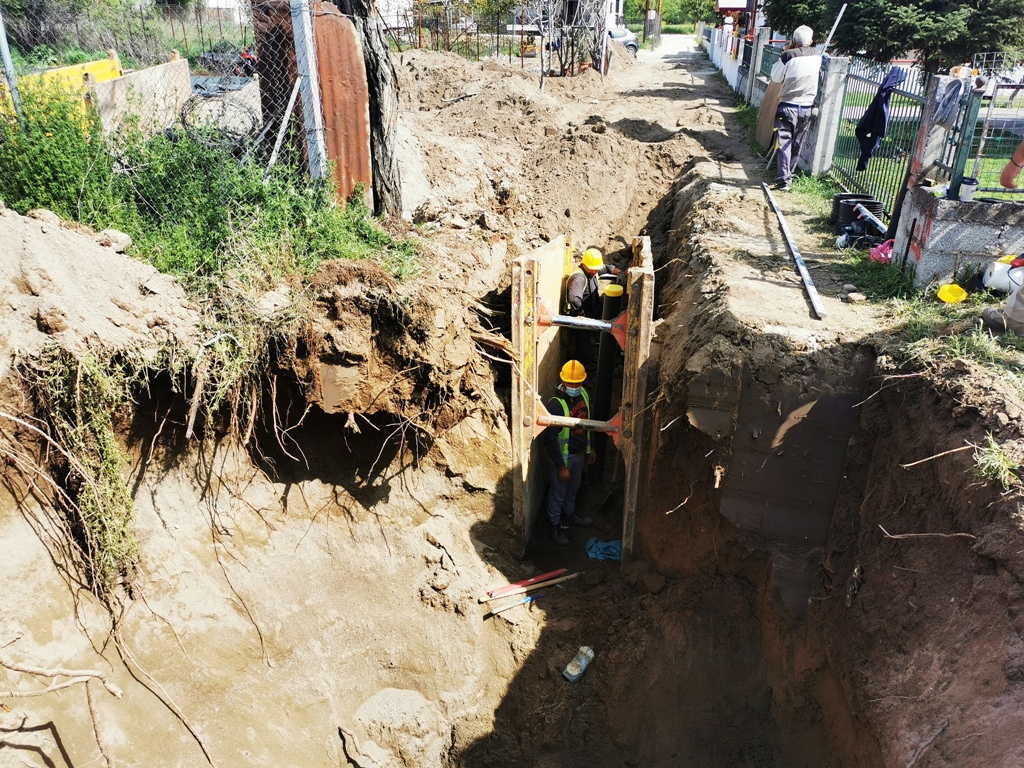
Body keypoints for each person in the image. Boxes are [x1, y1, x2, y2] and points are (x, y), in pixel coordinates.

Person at [542, 359, 595, 546]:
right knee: (558, 493)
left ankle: (569, 516)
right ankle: (554, 527)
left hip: (578, 454)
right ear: (563, 381)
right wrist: (560, 466)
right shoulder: (556, 405)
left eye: (578, 383)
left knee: (573, 488)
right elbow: (549, 439)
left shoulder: (584, 394)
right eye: (571, 384)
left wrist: (590, 447)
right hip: (563, 459)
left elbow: (588, 422)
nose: (574, 387)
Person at [770, 25, 822, 191]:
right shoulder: (818, 55)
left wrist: (784, 54)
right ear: (811, 41)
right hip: (807, 107)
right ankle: (789, 176)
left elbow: (775, 77)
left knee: (784, 143)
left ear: (793, 41)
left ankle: (783, 181)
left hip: (787, 106)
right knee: (797, 144)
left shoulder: (788, 56)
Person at [565, 248, 621, 367]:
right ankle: (582, 366)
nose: (596, 271)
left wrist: (619, 272)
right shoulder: (579, 278)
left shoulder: (592, 271)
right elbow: (574, 299)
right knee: (583, 345)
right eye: (593, 268)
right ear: (585, 265)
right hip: (580, 317)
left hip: (591, 310)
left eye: (596, 268)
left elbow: (607, 268)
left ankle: (595, 334)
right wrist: (581, 313)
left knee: (606, 299)